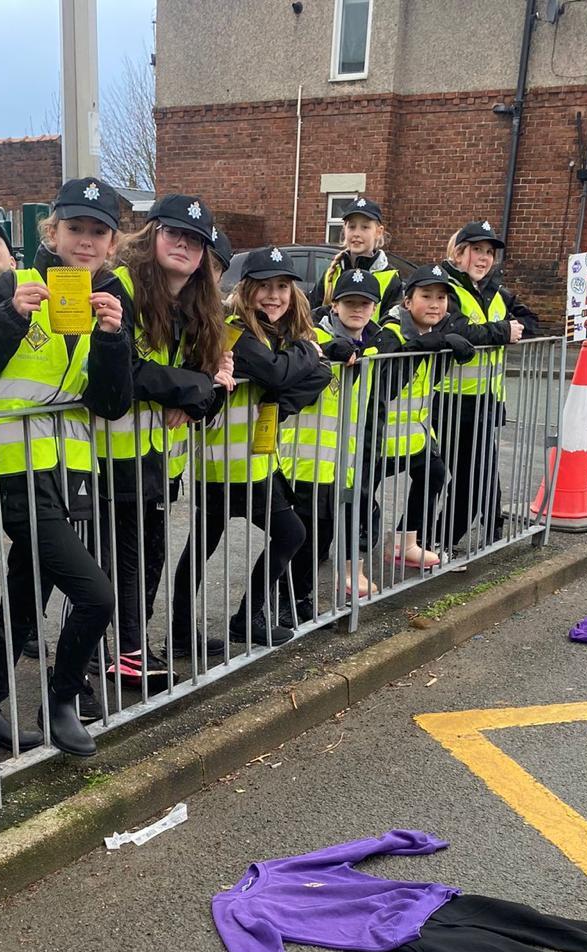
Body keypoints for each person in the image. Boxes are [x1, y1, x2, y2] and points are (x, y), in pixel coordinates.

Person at [0, 179, 131, 757]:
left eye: (98, 232)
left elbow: (110, 404)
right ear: (52, 232)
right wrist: (12, 317)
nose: (86, 241)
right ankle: (62, 701)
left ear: (111, 244)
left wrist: (112, 339)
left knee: (25, 600)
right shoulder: (14, 285)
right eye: (75, 229)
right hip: (14, 473)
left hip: (68, 474)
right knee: (96, 595)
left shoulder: (107, 299)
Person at [98, 194, 232, 688]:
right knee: (121, 562)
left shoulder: (197, 305)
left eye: (195, 240)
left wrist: (199, 390)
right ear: (153, 233)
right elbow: (125, 372)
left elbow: (210, 385)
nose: (184, 245)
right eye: (174, 233)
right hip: (109, 454)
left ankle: (126, 648)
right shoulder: (124, 285)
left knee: (147, 556)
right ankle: (120, 653)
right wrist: (194, 386)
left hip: (158, 462)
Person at [172, 248, 331, 651]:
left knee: (219, 546)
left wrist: (284, 399)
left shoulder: (275, 334)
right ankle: (228, 622)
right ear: (245, 290)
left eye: (282, 287)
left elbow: (318, 377)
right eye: (264, 287)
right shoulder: (233, 330)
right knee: (283, 535)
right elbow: (280, 371)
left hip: (253, 462)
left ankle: (233, 620)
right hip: (225, 464)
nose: (274, 296)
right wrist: (307, 353)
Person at [283, 267, 387, 618]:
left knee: (320, 537)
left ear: (374, 307)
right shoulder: (311, 334)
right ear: (335, 305)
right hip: (303, 459)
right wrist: (326, 350)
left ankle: (299, 599)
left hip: (340, 462)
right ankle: (286, 603)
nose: (356, 310)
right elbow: (294, 346)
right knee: (300, 537)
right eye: (349, 303)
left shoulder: (374, 345)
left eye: (364, 303)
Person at [437, 220, 539, 550]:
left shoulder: (497, 291)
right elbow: (454, 329)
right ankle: (438, 539)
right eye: (476, 250)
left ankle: (492, 526)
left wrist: (513, 328)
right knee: (466, 476)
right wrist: (502, 333)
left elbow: (530, 321)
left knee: (484, 469)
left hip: (487, 399)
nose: (483, 258)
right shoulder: (445, 288)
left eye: (489, 253)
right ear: (458, 253)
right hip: (452, 401)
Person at [379, 263, 477, 570]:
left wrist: (443, 341)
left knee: (434, 474)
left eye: (441, 297)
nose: (435, 304)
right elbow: (388, 386)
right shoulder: (391, 333)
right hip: (375, 438)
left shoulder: (435, 332)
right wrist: (430, 344)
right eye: (426, 296)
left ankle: (404, 544)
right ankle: (346, 564)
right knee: (358, 502)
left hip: (412, 435)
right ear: (407, 302)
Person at [310, 198, 403, 322]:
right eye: (352, 227)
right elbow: (310, 316)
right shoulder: (331, 273)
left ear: (379, 232)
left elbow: (393, 323)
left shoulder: (390, 278)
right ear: (344, 229)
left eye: (365, 227)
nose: (356, 234)